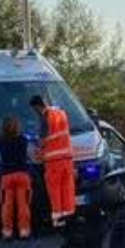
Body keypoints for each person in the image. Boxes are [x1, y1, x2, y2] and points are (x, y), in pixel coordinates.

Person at [30, 95, 75, 226]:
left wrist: (37, 149)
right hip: (67, 159)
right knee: (67, 189)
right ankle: (69, 216)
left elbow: (43, 140)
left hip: (53, 161)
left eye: (34, 109)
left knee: (54, 190)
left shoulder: (45, 117)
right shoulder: (61, 113)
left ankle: (57, 219)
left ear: (37, 106)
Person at [0, 116, 32, 241]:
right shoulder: (23, 140)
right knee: (23, 204)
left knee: (7, 205)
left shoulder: (0, 141)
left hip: (6, 175)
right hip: (22, 174)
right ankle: (24, 231)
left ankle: (7, 232)